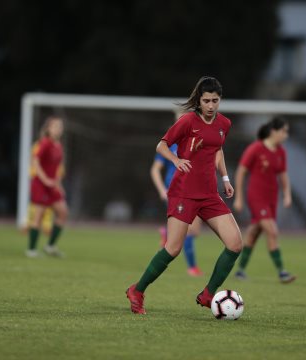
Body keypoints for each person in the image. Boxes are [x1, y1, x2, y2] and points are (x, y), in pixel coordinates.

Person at [126, 76, 242, 314]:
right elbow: (161, 145)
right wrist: (176, 159)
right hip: (183, 193)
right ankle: (137, 290)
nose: (211, 105)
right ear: (199, 101)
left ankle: (208, 294)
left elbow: (217, 149)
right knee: (173, 248)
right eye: (207, 101)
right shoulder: (188, 121)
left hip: (209, 194)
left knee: (235, 243)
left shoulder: (224, 124)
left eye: (215, 101)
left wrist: (226, 179)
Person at [233, 117, 296, 284]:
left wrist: (287, 194)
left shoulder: (281, 152)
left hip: (271, 198)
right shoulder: (255, 148)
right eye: (284, 131)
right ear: (274, 131)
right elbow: (240, 172)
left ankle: (240, 271)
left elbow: (283, 175)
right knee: (272, 231)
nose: (286, 135)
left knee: (254, 232)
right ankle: (282, 272)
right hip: (256, 197)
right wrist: (239, 197)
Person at [150, 132, 203, 276]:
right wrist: (162, 189)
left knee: (195, 230)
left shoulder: (197, 142)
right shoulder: (169, 144)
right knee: (189, 230)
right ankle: (192, 267)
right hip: (176, 190)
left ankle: (167, 234)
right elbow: (155, 169)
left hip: (195, 190)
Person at [26, 116, 69, 258]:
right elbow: (35, 161)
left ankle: (50, 246)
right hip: (41, 185)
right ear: (48, 129)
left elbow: (56, 168)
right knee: (39, 215)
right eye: (55, 126)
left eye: (60, 126)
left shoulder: (58, 145)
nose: (58, 129)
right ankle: (31, 250)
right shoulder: (45, 143)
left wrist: (58, 185)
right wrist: (44, 179)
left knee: (63, 212)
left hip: (52, 186)